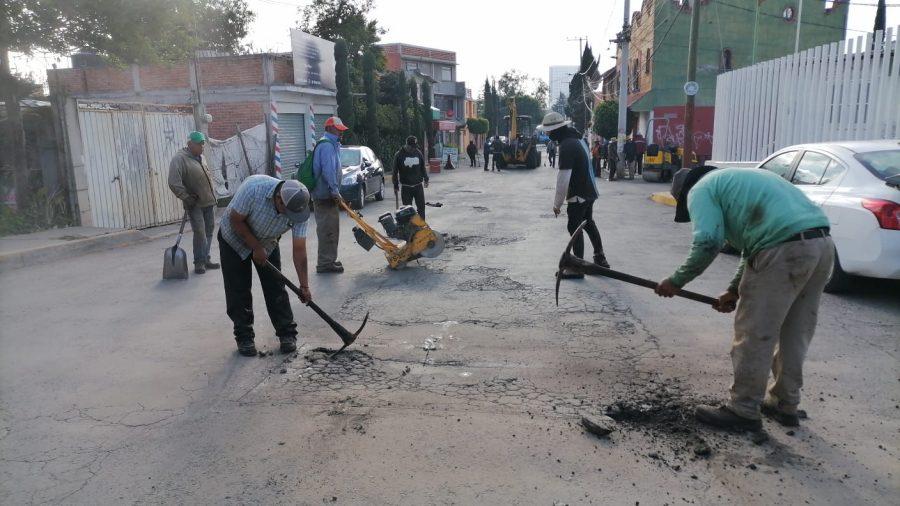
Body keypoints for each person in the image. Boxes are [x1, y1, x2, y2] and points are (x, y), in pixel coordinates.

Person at [655, 167, 833, 432]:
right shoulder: (738, 181)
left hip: (783, 249)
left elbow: (708, 241)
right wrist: (733, 289)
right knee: (795, 332)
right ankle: (785, 404)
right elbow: (752, 247)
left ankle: (744, 409)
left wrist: (676, 281)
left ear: (684, 192)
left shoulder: (701, 190)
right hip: (821, 246)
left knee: (755, 333)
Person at [217, 176, 312, 357]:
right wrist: (255, 246)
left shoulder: (299, 209)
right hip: (233, 238)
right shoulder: (254, 189)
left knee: (275, 286)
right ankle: (244, 336)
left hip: (267, 240)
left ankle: (287, 333)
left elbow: (299, 250)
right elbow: (235, 219)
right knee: (238, 288)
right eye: (288, 213)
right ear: (279, 200)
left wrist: (304, 285)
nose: (291, 218)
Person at [541, 112, 609, 279]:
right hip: (589, 191)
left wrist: (557, 204)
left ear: (557, 130)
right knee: (588, 224)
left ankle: (578, 267)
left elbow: (563, 179)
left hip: (579, 193)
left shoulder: (567, 145)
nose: (548, 135)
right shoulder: (577, 139)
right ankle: (600, 259)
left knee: (574, 227)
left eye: (549, 132)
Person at [168, 131, 219, 274]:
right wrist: (186, 197)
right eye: (199, 144)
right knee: (200, 233)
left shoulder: (200, 157)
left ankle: (206, 258)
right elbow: (173, 182)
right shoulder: (179, 159)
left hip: (208, 201)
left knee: (209, 231)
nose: (202, 146)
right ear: (189, 144)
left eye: (203, 144)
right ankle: (199, 262)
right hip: (195, 204)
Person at [311, 116, 348, 274]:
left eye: (341, 130)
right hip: (325, 196)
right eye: (338, 130)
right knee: (328, 230)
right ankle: (325, 264)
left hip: (327, 196)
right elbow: (328, 171)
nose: (341, 133)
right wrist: (335, 192)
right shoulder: (326, 146)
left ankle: (329, 260)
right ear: (330, 129)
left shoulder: (332, 144)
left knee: (332, 229)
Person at [393, 135, 429, 218]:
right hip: (406, 188)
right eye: (412, 147)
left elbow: (422, 167)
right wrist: (395, 185)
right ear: (407, 145)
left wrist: (426, 178)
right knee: (407, 211)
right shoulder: (399, 155)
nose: (414, 149)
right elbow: (395, 172)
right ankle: (410, 229)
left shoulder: (418, 153)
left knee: (421, 208)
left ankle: (422, 227)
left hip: (418, 186)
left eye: (415, 147)